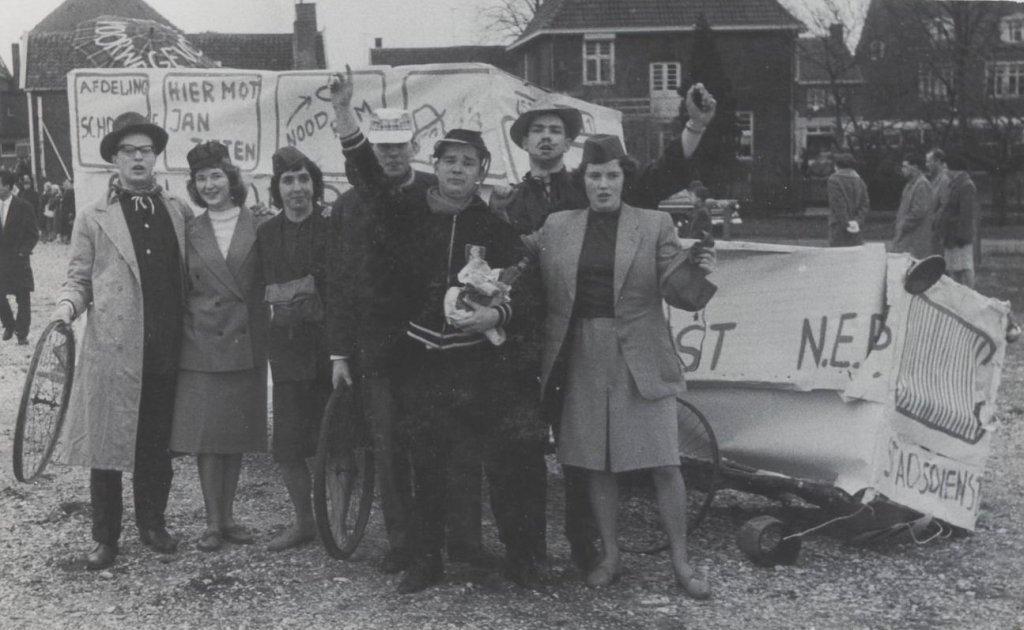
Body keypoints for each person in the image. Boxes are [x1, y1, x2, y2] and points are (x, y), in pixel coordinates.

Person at [492, 81, 716, 574]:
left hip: (630, 351)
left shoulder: (639, 216)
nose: (603, 184)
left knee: (652, 460)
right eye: (595, 176)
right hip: (562, 351)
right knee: (579, 460)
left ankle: (663, 559)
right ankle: (576, 554)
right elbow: (508, 255)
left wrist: (697, 268)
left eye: (611, 175)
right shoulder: (538, 216)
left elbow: (678, 284)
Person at [333, 70, 532, 593]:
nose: (458, 170)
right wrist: (344, 115)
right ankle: (426, 561)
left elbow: (524, 287)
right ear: (435, 166)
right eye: (450, 161)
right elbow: (368, 173)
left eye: (468, 163)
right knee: (424, 458)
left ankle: (484, 550)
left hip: (475, 362)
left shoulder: (494, 227)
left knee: (475, 456)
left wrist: (496, 316)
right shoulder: (407, 211)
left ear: (481, 171)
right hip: (418, 359)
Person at [326, 107, 492, 574]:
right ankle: (402, 542)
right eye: (383, 146)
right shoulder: (348, 205)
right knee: (388, 446)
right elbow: (338, 280)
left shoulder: (437, 192)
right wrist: (339, 352)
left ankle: (463, 543)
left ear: (415, 148)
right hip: (376, 346)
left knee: (453, 444)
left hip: (434, 345)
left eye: (400, 145)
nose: (392, 154)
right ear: (373, 150)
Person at [50, 111, 191, 570]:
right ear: (115, 159)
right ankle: (105, 537)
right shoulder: (93, 217)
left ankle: (152, 524)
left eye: (145, 150)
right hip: (112, 351)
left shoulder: (177, 211)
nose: (137, 158)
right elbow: (78, 279)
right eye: (128, 150)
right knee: (107, 447)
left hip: (165, 349)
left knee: (155, 442)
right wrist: (66, 309)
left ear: (156, 156)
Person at [169, 141, 268, 552]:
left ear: (231, 179)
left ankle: (229, 518)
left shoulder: (259, 224)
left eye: (216, 176)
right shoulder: (188, 230)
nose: (209, 185)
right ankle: (212, 522)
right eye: (201, 179)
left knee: (234, 433)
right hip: (201, 344)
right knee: (208, 437)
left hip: (245, 343)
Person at [256, 146, 333, 552]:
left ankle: (338, 526)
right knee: (287, 445)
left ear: (315, 185)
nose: (297, 187)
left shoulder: (332, 226)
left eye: (304, 178)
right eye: (288, 180)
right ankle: (304, 522)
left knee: (337, 441)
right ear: (277, 188)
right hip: (287, 348)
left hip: (329, 348)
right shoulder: (267, 233)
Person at [0, 169, 39, 345]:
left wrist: (23, 251)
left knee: (23, 296)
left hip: (18, 259)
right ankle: (9, 323)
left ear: (9, 186)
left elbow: (33, 233)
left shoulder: (24, 207)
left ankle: (22, 333)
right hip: (1, 261)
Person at [935, 154, 978, 287]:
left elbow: (966, 214)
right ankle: (959, 293)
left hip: (959, 236)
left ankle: (969, 293)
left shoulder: (966, 185)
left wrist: (962, 236)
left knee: (965, 267)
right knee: (954, 267)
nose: (944, 171)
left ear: (955, 169)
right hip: (951, 235)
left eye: (946, 168)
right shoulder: (954, 185)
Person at [892, 153, 934, 260]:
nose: (902, 169)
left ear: (915, 167)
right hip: (908, 236)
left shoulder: (922, 184)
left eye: (905, 166)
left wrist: (903, 225)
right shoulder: (910, 184)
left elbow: (919, 211)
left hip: (915, 238)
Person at [826, 152, 869, 247]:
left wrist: (847, 223)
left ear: (837, 166)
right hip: (857, 228)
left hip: (838, 226)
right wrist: (857, 221)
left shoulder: (834, 180)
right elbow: (865, 205)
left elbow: (838, 205)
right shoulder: (860, 181)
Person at [58, 179, 76, 244]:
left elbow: (72, 203)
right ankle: (65, 238)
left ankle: (69, 238)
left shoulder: (71, 191)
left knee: (69, 225)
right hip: (65, 211)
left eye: (67, 183)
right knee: (65, 224)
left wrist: (71, 211)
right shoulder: (67, 191)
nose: (65, 184)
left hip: (68, 211)